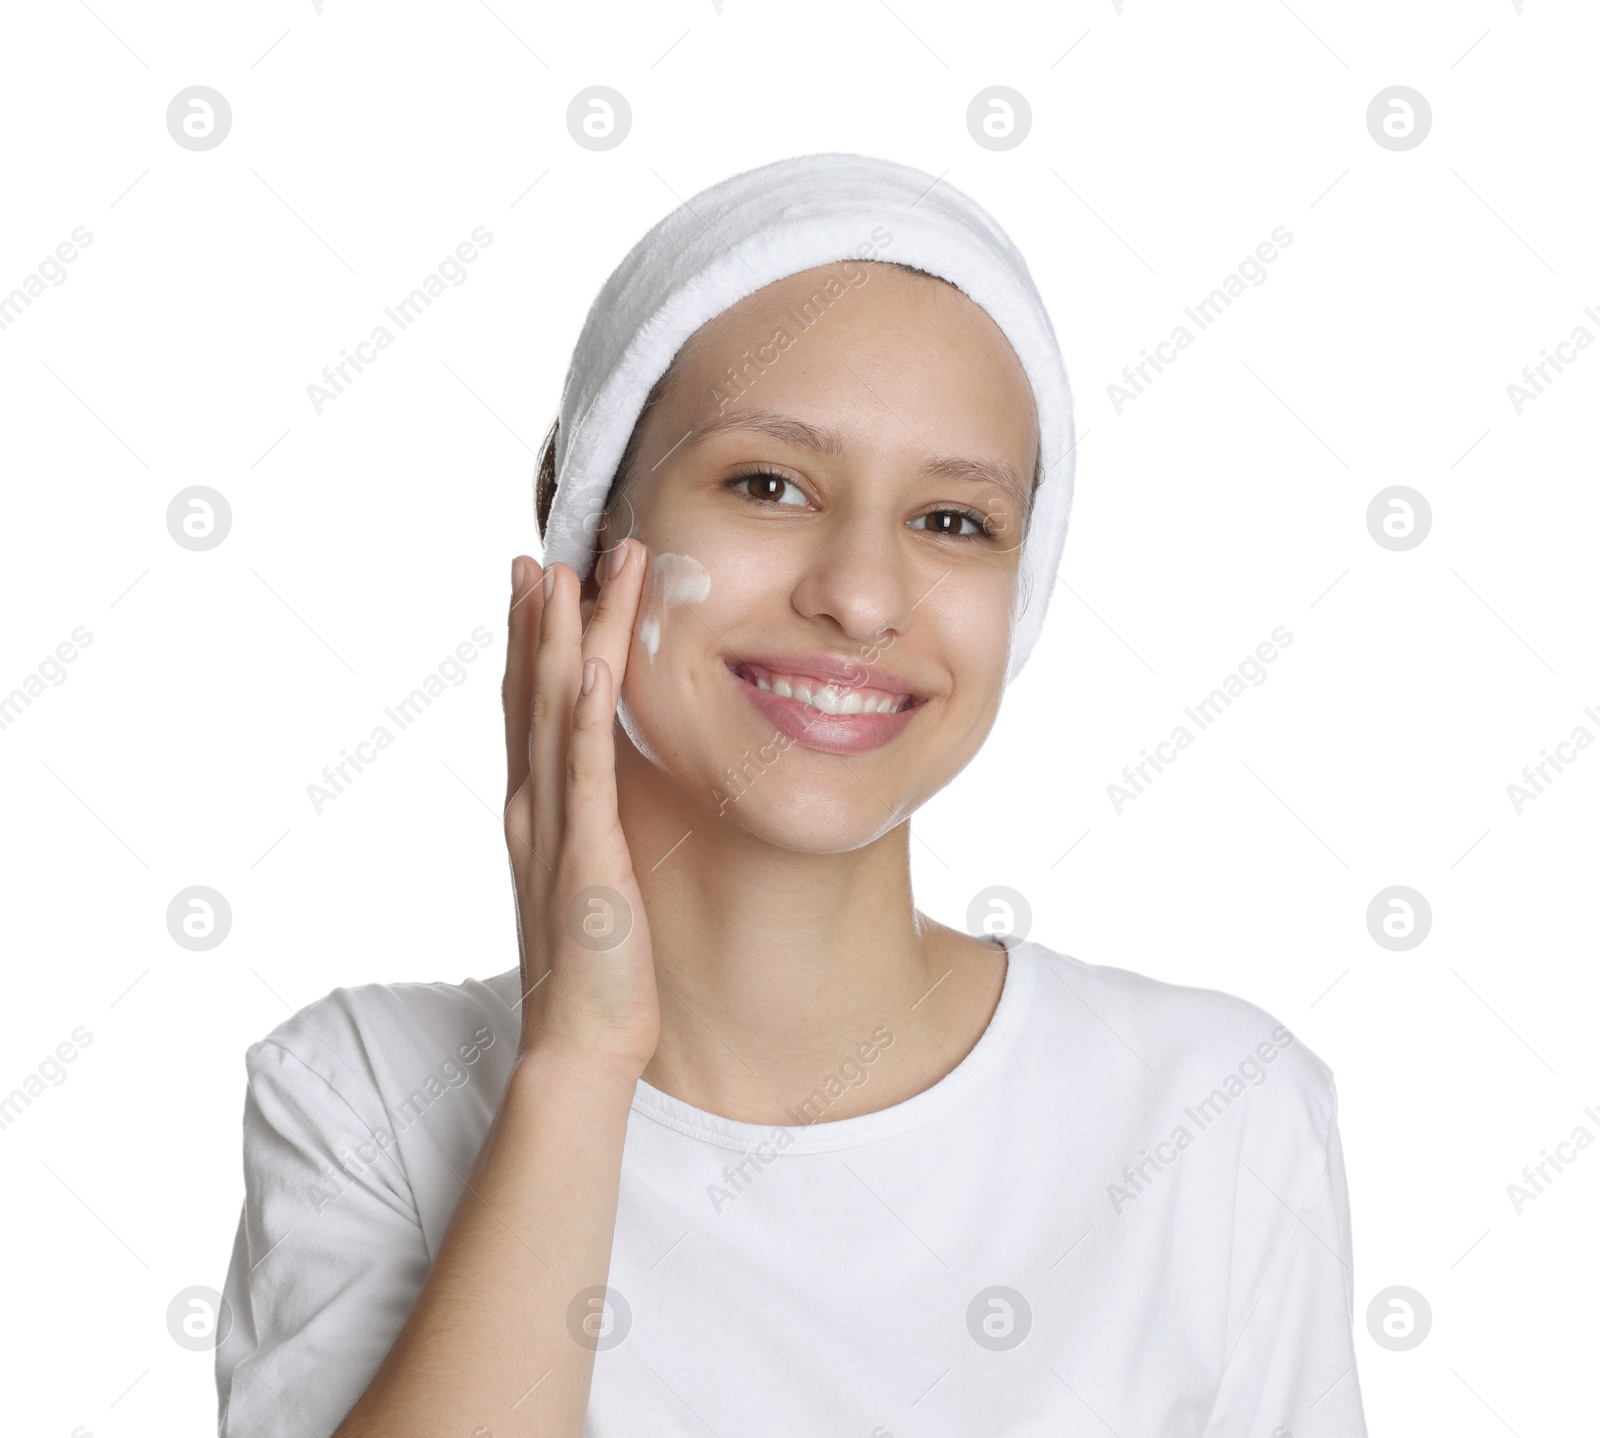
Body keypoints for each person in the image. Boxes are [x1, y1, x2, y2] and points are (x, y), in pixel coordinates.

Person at [216, 153, 1369, 1437]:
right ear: (591, 532)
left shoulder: (1217, 1111)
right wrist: (579, 1064)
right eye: (768, 484)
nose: (864, 595)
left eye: (952, 521)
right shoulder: (368, 1096)